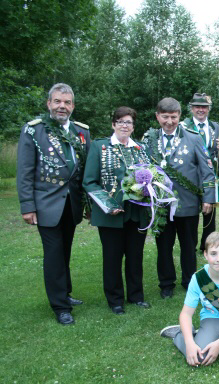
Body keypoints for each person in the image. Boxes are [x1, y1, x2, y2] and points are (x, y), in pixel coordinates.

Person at [17, 83, 90, 325]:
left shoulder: (82, 132)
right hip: (46, 205)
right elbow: (25, 171)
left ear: (73, 106)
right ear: (49, 103)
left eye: (67, 102)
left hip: (71, 204)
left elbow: (85, 172)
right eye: (58, 101)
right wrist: (27, 206)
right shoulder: (33, 131)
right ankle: (60, 307)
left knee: (65, 251)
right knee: (53, 254)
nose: (62, 106)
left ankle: (65, 294)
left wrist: (89, 204)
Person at [142, 97, 216, 297]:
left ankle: (190, 281)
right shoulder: (149, 139)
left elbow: (207, 170)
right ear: (157, 116)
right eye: (165, 117)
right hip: (160, 204)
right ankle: (166, 284)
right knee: (164, 247)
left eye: (173, 117)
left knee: (189, 246)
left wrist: (208, 197)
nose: (169, 121)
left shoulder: (193, 138)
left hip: (188, 203)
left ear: (179, 116)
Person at [83, 107, 151, 315]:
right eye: (120, 121)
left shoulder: (140, 148)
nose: (124, 125)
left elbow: (150, 177)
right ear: (113, 124)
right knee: (112, 258)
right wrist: (108, 205)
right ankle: (115, 300)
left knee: (135, 256)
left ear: (133, 126)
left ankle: (136, 296)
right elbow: (90, 181)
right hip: (110, 215)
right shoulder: (100, 146)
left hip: (137, 213)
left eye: (128, 122)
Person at [159, 232, 219, 366]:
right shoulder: (198, 278)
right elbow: (186, 314)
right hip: (212, 320)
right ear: (205, 254)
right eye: (213, 253)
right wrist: (189, 343)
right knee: (199, 358)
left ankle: (218, 343)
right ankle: (180, 335)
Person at [181, 93, 219, 252]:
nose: (200, 110)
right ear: (191, 108)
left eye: (204, 107)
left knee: (210, 216)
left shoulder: (218, 128)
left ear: (208, 109)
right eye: (197, 107)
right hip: (190, 176)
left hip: (211, 177)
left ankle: (206, 245)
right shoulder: (182, 127)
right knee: (192, 213)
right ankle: (190, 244)